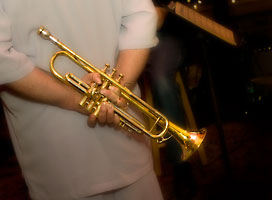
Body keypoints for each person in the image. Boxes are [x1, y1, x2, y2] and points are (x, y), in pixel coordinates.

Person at [0, 0, 164, 200]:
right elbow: (141, 16)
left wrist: (102, 95)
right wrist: (114, 91)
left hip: (57, 148)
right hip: (100, 138)